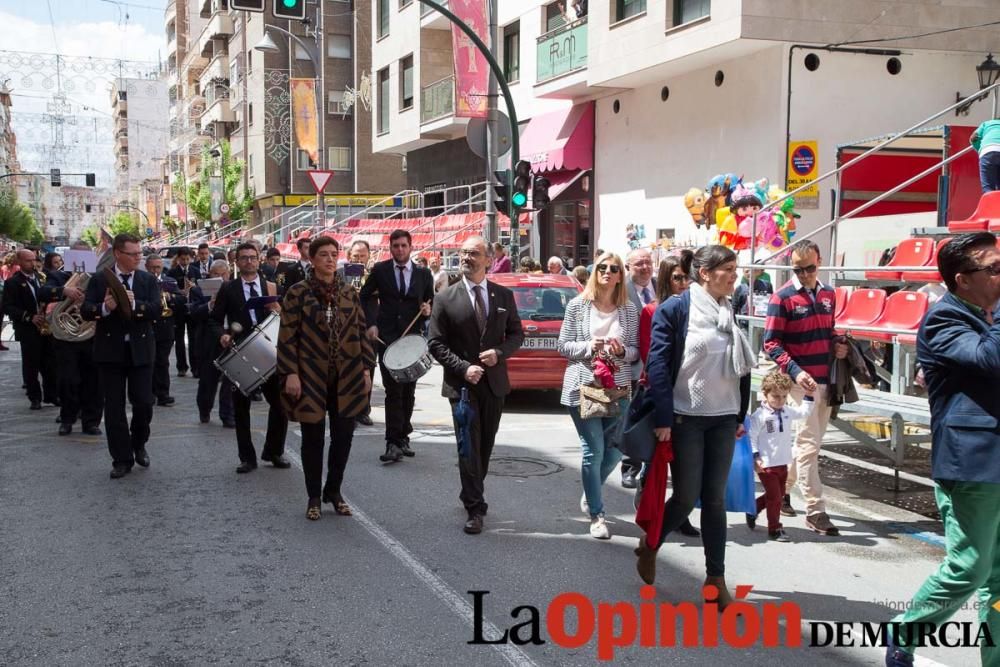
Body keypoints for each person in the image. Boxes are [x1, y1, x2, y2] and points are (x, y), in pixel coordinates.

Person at [886, 232, 1000, 667]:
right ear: (962, 279)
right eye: (993, 268)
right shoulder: (944, 320)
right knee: (970, 568)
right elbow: (991, 360)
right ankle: (905, 633)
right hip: (971, 463)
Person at [638, 245, 753, 605]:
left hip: (723, 417)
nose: (734, 275)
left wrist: (739, 414)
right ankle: (651, 543)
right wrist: (663, 419)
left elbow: (740, 365)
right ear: (704, 273)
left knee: (715, 500)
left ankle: (715, 579)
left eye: (736, 268)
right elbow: (657, 366)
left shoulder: (728, 309)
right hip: (685, 418)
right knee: (687, 498)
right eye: (728, 269)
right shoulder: (675, 310)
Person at [428, 236, 524, 534]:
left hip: (494, 384)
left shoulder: (503, 296)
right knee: (468, 446)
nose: (467, 258)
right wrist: (463, 367)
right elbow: (435, 343)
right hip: (463, 386)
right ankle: (475, 507)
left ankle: (471, 489)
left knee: (484, 446)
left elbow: (516, 335)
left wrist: (499, 353)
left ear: (489, 260)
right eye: (464, 253)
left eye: (474, 254)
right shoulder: (446, 298)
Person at [278, 236, 375, 520]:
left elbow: (360, 332)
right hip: (310, 376)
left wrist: (367, 370)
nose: (330, 260)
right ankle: (313, 496)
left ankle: (334, 489)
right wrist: (290, 373)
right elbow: (287, 338)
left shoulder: (348, 292)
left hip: (347, 376)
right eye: (324, 255)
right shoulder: (297, 293)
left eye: (334, 254)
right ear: (312, 258)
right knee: (313, 438)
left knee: (344, 436)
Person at [762, 239, 849, 536]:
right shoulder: (781, 298)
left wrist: (838, 345)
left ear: (819, 261)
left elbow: (829, 330)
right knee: (809, 445)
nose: (805, 274)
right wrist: (796, 373)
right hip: (802, 380)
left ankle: (783, 490)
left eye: (810, 268)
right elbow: (771, 342)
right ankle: (816, 509)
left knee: (809, 445)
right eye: (799, 270)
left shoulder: (828, 294)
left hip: (825, 378)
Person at [558, 251, 638, 540]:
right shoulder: (578, 306)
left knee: (615, 449)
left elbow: (635, 351)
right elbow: (563, 346)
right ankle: (597, 514)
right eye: (601, 267)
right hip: (585, 384)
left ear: (620, 276)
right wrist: (589, 345)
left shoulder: (628, 310)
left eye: (613, 268)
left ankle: (591, 489)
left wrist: (620, 351)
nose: (606, 272)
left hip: (617, 387)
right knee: (594, 450)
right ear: (595, 273)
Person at [80, 233, 161, 479]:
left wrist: (135, 305)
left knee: (144, 403)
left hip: (141, 350)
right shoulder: (99, 279)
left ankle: (138, 444)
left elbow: (157, 309)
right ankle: (121, 458)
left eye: (140, 253)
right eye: (133, 254)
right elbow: (86, 311)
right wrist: (106, 308)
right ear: (117, 254)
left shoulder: (147, 279)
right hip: (110, 352)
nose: (139, 257)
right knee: (114, 409)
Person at [210, 242, 289, 473]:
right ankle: (247, 458)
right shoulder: (228, 289)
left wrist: (278, 311)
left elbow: (285, 320)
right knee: (241, 409)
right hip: (240, 353)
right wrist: (223, 336)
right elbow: (214, 319)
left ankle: (274, 451)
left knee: (280, 405)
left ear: (259, 260)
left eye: (253, 257)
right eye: (244, 258)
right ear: (237, 262)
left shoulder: (271, 286)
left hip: (269, 352)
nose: (249, 261)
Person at [635, 251, 699, 539]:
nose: (684, 283)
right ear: (666, 279)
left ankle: (679, 514)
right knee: (657, 457)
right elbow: (652, 355)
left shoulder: (695, 309)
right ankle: (647, 502)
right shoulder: (653, 310)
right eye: (677, 278)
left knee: (684, 462)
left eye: (687, 277)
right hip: (660, 391)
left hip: (689, 393)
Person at [360, 229, 435, 463]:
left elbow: (429, 301)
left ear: (411, 247)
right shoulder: (380, 270)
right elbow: (363, 296)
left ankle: (403, 437)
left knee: (408, 392)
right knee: (393, 390)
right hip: (388, 337)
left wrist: (426, 311)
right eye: (395, 246)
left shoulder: (423, 274)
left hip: (412, 339)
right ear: (390, 248)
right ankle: (392, 442)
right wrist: (370, 324)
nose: (400, 250)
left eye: (403, 245)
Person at [747, 370, 814, 543]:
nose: (780, 400)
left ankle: (753, 508)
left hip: (783, 462)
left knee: (778, 494)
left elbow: (803, 413)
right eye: (775, 396)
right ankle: (775, 528)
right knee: (776, 498)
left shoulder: (787, 411)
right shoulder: (759, 416)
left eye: (784, 396)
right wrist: (755, 457)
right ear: (765, 394)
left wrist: (808, 395)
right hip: (766, 464)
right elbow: (751, 437)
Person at [36, 261, 102, 435]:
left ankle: (91, 422)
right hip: (65, 338)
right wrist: (64, 291)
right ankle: (67, 419)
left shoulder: (98, 278)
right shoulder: (58, 276)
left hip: (91, 336)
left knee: (93, 381)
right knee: (67, 380)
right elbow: (41, 293)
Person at [2, 248, 58, 409]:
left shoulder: (42, 278)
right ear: (19, 262)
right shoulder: (12, 282)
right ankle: (34, 397)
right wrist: (29, 317)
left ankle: (51, 395)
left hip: (46, 327)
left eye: (34, 259)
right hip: (28, 328)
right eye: (28, 260)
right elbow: (8, 307)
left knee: (50, 363)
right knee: (31, 364)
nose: (32, 263)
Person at [622, 248, 656, 489]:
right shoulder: (620, 290)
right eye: (638, 264)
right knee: (633, 416)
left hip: (659, 363)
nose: (644, 267)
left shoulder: (660, 287)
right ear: (628, 267)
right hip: (633, 364)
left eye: (647, 262)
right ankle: (630, 466)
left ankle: (653, 465)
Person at [193, 260, 235, 427]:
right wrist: (210, 304)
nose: (218, 278)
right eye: (215, 274)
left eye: (222, 275)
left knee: (230, 379)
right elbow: (194, 313)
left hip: (230, 337)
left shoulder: (234, 289)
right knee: (207, 381)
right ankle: (204, 410)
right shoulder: (198, 291)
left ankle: (227, 415)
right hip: (209, 341)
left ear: (228, 275)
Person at [144, 255, 184, 407]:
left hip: (165, 326)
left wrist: (170, 297)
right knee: (149, 361)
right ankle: (148, 392)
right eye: (152, 267)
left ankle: (163, 393)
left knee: (162, 361)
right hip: (148, 325)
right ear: (147, 267)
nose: (155, 271)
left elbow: (182, 300)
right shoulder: (142, 281)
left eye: (158, 267)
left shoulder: (169, 282)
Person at [348, 239, 375, 426]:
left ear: (369, 256)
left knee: (369, 370)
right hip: (347, 330)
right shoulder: (341, 275)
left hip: (368, 329)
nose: (359, 259)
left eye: (362, 255)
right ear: (349, 256)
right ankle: (349, 409)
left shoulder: (375, 276)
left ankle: (364, 410)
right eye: (355, 255)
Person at [167, 247, 199, 377]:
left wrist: (194, 287)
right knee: (179, 339)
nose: (185, 262)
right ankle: (181, 366)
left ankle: (195, 367)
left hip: (192, 308)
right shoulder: (172, 272)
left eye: (187, 259)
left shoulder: (195, 271)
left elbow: (201, 288)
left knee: (193, 339)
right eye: (183, 259)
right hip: (178, 308)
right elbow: (169, 288)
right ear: (178, 258)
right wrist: (179, 291)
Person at [971, 118, 1000, 193]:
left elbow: (973, 138)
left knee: (988, 188)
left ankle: (990, 202)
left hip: (988, 151)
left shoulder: (986, 124)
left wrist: (980, 150)